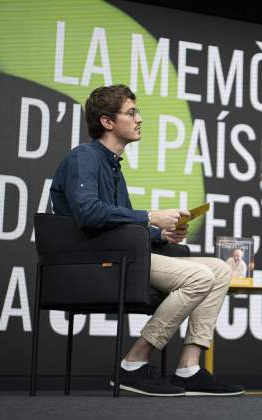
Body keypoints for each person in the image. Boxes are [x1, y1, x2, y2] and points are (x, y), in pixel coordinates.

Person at [50, 85, 244, 397]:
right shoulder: (82, 158)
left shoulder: (114, 165)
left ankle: (189, 368)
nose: (139, 119)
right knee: (199, 276)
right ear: (107, 122)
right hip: (97, 261)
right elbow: (88, 214)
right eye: (131, 113)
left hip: (122, 254)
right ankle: (134, 362)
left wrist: (161, 234)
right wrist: (151, 217)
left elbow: (121, 223)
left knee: (220, 270)